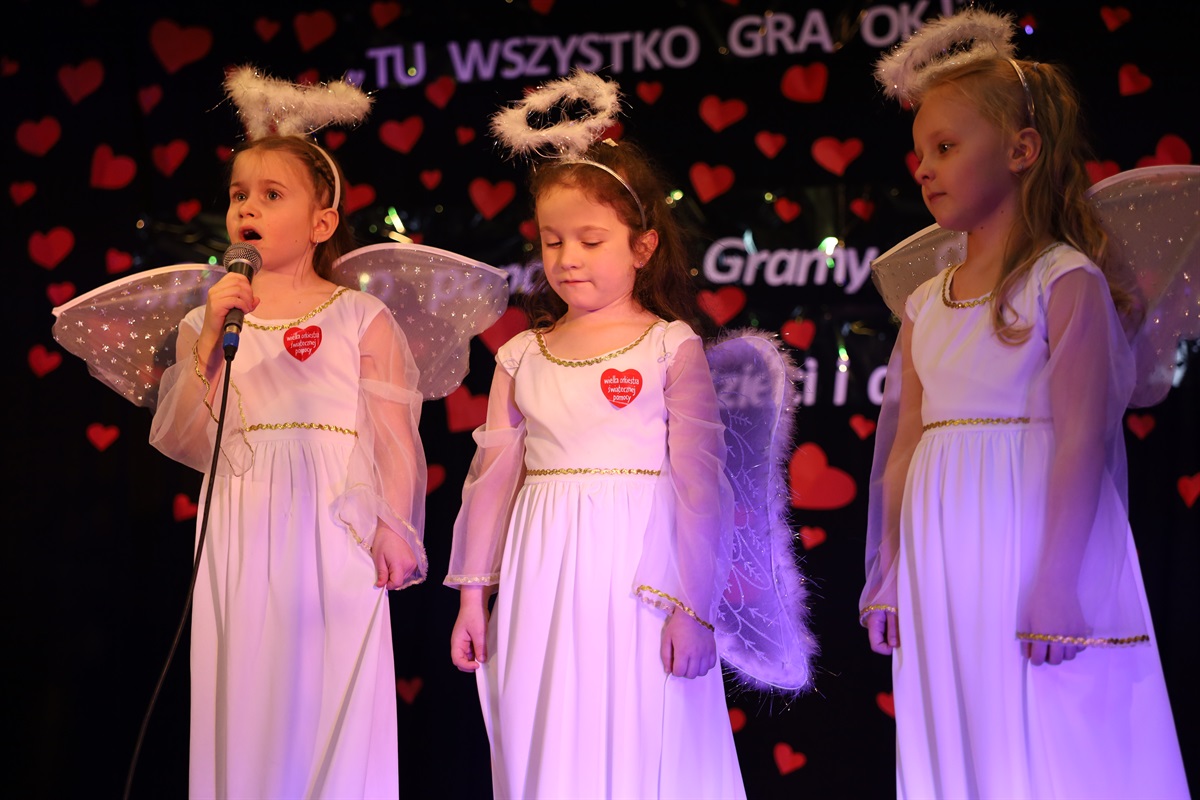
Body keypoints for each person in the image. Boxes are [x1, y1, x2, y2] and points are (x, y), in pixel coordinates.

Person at [859, 10, 1189, 799]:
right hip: (942, 551)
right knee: (960, 726)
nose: (924, 169)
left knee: (1048, 734)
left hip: (1033, 541)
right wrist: (891, 567)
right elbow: (903, 445)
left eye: (946, 147)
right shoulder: (925, 304)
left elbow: (1080, 440)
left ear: (1021, 149)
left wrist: (1057, 580)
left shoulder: (1063, 281)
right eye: (920, 153)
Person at [446, 130, 747, 798]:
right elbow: (492, 483)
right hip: (542, 574)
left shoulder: (668, 346)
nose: (568, 258)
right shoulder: (521, 355)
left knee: (645, 729)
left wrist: (693, 608)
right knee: (551, 729)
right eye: (553, 241)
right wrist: (472, 599)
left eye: (590, 240)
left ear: (643, 246)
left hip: (641, 577)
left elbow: (700, 486)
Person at [149, 125, 427, 797]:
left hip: (334, 519)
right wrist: (209, 340)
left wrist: (395, 525)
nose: (247, 207)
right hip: (241, 516)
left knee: (329, 681)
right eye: (238, 194)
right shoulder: (209, 321)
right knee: (247, 684)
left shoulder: (360, 315)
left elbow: (392, 433)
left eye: (272, 195)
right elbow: (188, 434)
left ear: (321, 222)